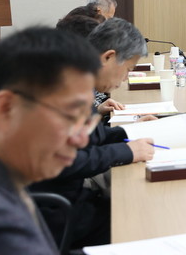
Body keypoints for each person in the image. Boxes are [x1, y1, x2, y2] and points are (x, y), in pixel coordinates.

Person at [30, 18, 155, 249]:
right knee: (139, 218)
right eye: (127, 70)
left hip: (63, 198)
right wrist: (126, 152)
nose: (125, 78)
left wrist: (130, 132)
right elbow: (64, 161)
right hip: (53, 212)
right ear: (108, 57)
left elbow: (87, 138)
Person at [0, 27, 102, 254]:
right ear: (7, 109)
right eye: (70, 116)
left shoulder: (8, 180)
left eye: (85, 120)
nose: (81, 140)